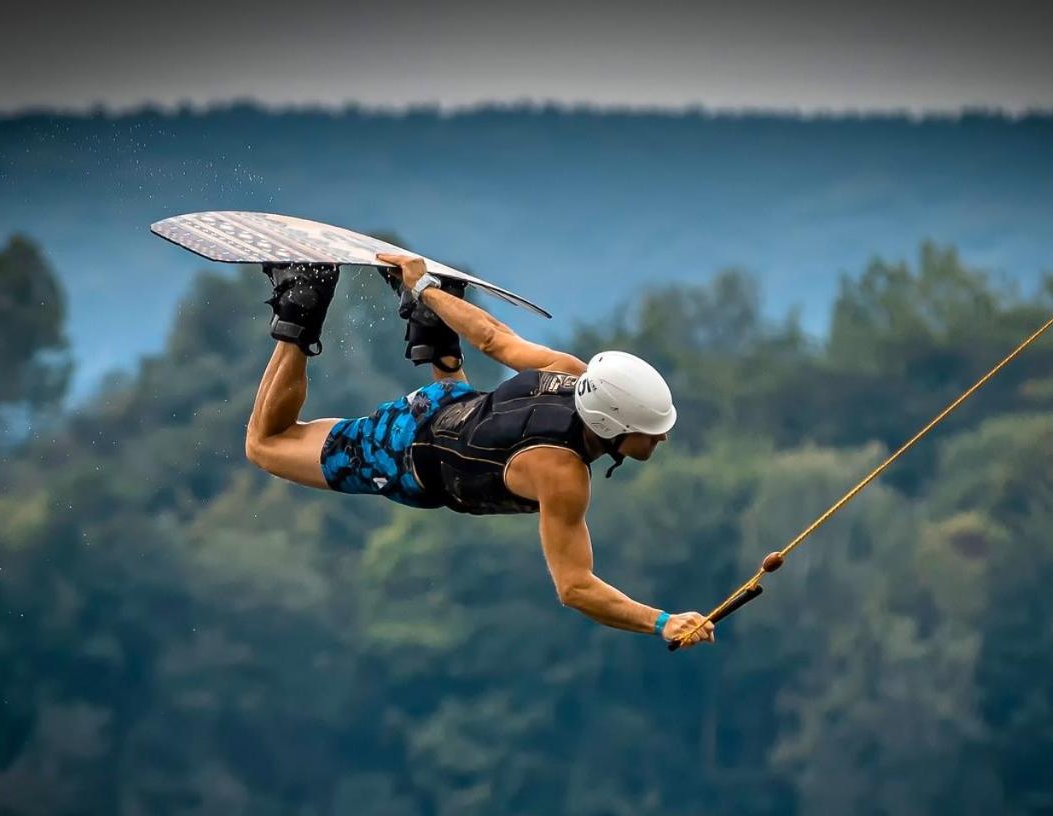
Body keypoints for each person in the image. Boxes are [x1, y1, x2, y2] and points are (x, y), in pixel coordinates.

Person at [243, 254, 715, 647]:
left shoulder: (568, 371)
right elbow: (575, 587)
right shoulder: (563, 475)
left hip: (452, 402)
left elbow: (493, 337)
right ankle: (301, 306)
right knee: (266, 444)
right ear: (611, 424)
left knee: (475, 434)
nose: (662, 438)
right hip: (404, 448)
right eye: (650, 431)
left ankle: (431, 320)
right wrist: (661, 621)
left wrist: (428, 288)